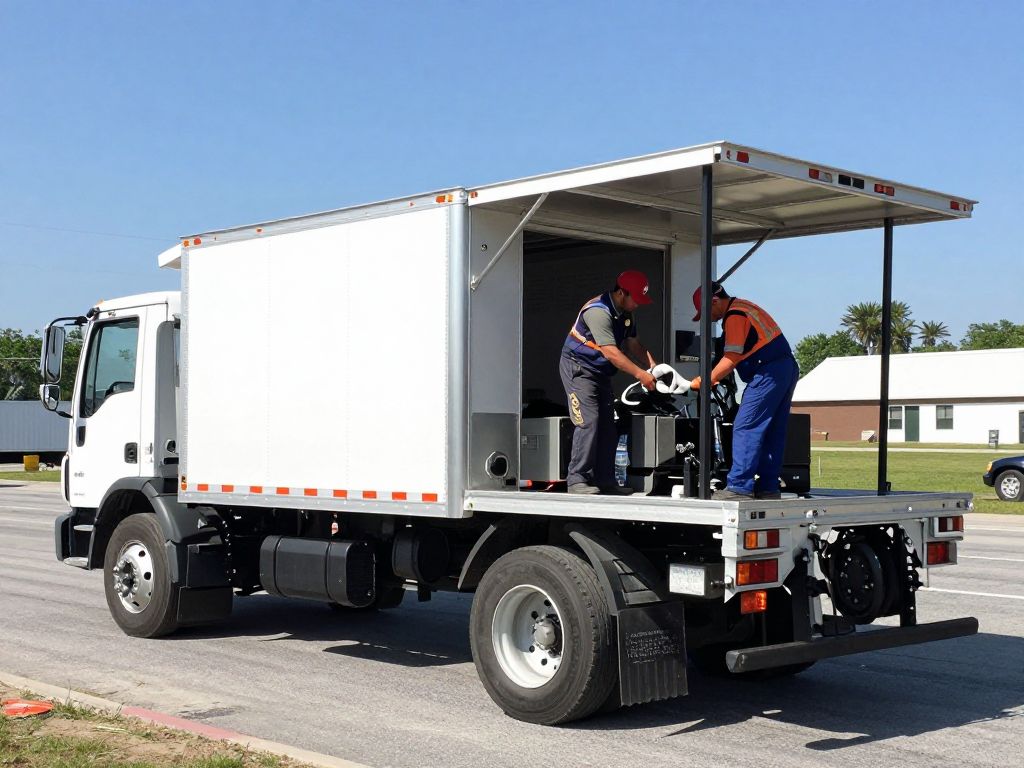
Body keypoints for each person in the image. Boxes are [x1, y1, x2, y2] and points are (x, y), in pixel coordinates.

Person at [690, 282, 798, 500]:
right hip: (785, 369)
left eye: (706, 311)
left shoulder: (735, 316)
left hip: (767, 372)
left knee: (746, 426)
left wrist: (706, 380)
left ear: (714, 301)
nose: (708, 318)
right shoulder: (746, 307)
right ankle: (768, 487)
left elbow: (731, 358)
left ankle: (739, 487)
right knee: (773, 429)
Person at [560, 271, 658, 495]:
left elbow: (634, 345)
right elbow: (612, 353)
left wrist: (655, 368)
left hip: (600, 373)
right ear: (621, 293)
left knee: (607, 425)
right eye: (636, 299)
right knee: (588, 421)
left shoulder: (626, 313)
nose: (638, 305)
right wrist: (641, 375)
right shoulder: (598, 312)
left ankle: (605, 481)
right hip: (578, 368)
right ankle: (576, 480)